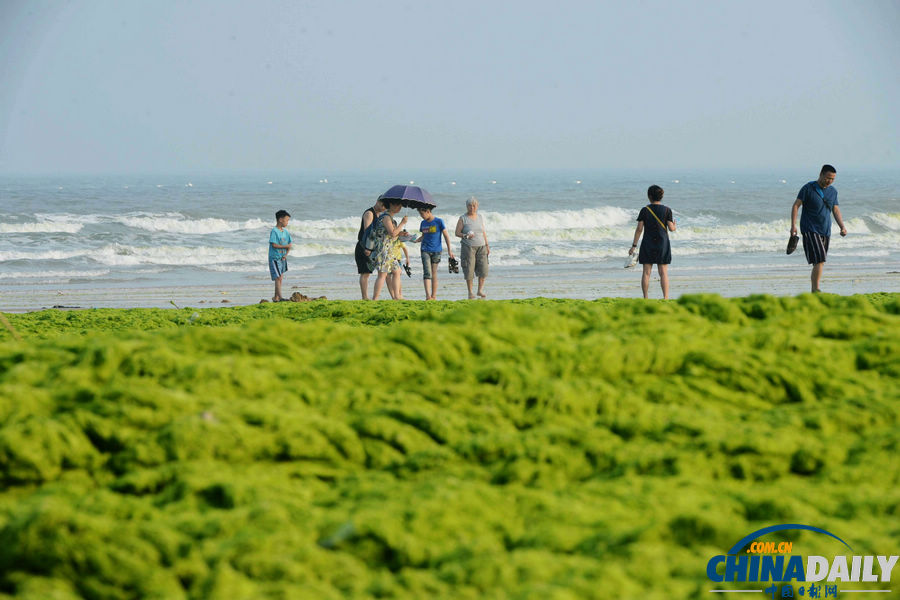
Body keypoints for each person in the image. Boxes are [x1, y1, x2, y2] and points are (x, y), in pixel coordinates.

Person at [790, 165, 847, 293]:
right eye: (828, 178)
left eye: (832, 179)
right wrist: (793, 225)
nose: (830, 181)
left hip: (826, 230)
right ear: (821, 174)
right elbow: (796, 206)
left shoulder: (833, 191)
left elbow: (835, 209)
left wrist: (842, 226)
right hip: (810, 229)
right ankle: (816, 289)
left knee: (819, 262)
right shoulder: (808, 188)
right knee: (820, 258)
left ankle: (813, 290)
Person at [629, 185, 676, 299]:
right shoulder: (667, 210)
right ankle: (665, 298)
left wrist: (633, 246)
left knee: (646, 272)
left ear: (649, 196)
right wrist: (674, 225)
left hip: (648, 243)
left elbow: (639, 229)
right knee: (663, 272)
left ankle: (645, 297)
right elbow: (671, 228)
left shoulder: (645, 210)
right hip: (662, 243)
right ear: (661, 196)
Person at [415, 207, 455, 300]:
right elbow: (423, 236)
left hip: (436, 250)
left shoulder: (439, 221)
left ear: (428, 211)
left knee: (434, 273)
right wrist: (415, 240)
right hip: (425, 250)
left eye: (422, 214)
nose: (421, 216)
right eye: (420, 214)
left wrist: (449, 250)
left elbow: (446, 236)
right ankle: (428, 296)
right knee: (427, 272)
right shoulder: (423, 223)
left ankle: (434, 296)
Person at [371, 199, 408, 300]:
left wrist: (401, 234)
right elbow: (392, 233)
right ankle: (375, 298)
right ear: (391, 204)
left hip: (390, 250)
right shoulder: (386, 217)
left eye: (400, 206)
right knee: (382, 274)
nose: (399, 208)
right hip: (383, 250)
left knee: (397, 271)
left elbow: (392, 234)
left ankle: (396, 296)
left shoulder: (390, 218)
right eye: (398, 205)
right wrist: (402, 223)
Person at [455, 197, 489, 299]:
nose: (472, 207)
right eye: (470, 205)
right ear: (467, 206)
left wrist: (487, 245)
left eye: (474, 205)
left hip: (481, 246)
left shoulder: (480, 217)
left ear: (477, 206)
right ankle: (470, 292)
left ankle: (480, 290)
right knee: (469, 269)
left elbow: (483, 231)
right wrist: (466, 236)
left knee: (483, 269)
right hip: (468, 247)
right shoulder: (463, 218)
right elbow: (457, 233)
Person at [355, 198, 384, 299]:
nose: (384, 208)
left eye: (386, 207)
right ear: (378, 202)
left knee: (369, 273)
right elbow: (368, 232)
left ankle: (369, 297)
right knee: (365, 273)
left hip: (371, 247)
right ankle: (365, 297)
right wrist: (368, 248)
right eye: (383, 205)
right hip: (364, 246)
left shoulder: (379, 214)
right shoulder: (369, 213)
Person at [268, 209, 292, 302]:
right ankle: (280, 297)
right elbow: (274, 244)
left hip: (282, 258)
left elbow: (290, 244)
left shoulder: (285, 232)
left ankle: (276, 297)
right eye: (287, 220)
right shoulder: (274, 231)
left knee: (280, 277)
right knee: (278, 277)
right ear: (280, 220)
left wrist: (286, 254)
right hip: (275, 258)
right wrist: (285, 246)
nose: (287, 222)